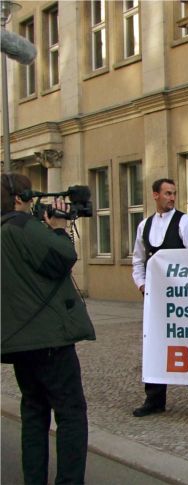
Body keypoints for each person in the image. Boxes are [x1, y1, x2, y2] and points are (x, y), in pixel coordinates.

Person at [1, 173, 96, 484]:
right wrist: (57, 230)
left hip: (18, 340)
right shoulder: (20, 225)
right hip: (48, 340)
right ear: (17, 198)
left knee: (33, 413)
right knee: (71, 414)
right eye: (28, 195)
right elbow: (63, 256)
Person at [131, 178, 188, 422]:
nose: (172, 198)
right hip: (155, 300)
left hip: (182, 298)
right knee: (155, 345)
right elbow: (137, 260)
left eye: (174, 193)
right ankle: (154, 399)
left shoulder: (184, 222)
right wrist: (142, 284)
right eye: (167, 193)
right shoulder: (144, 225)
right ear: (155, 195)